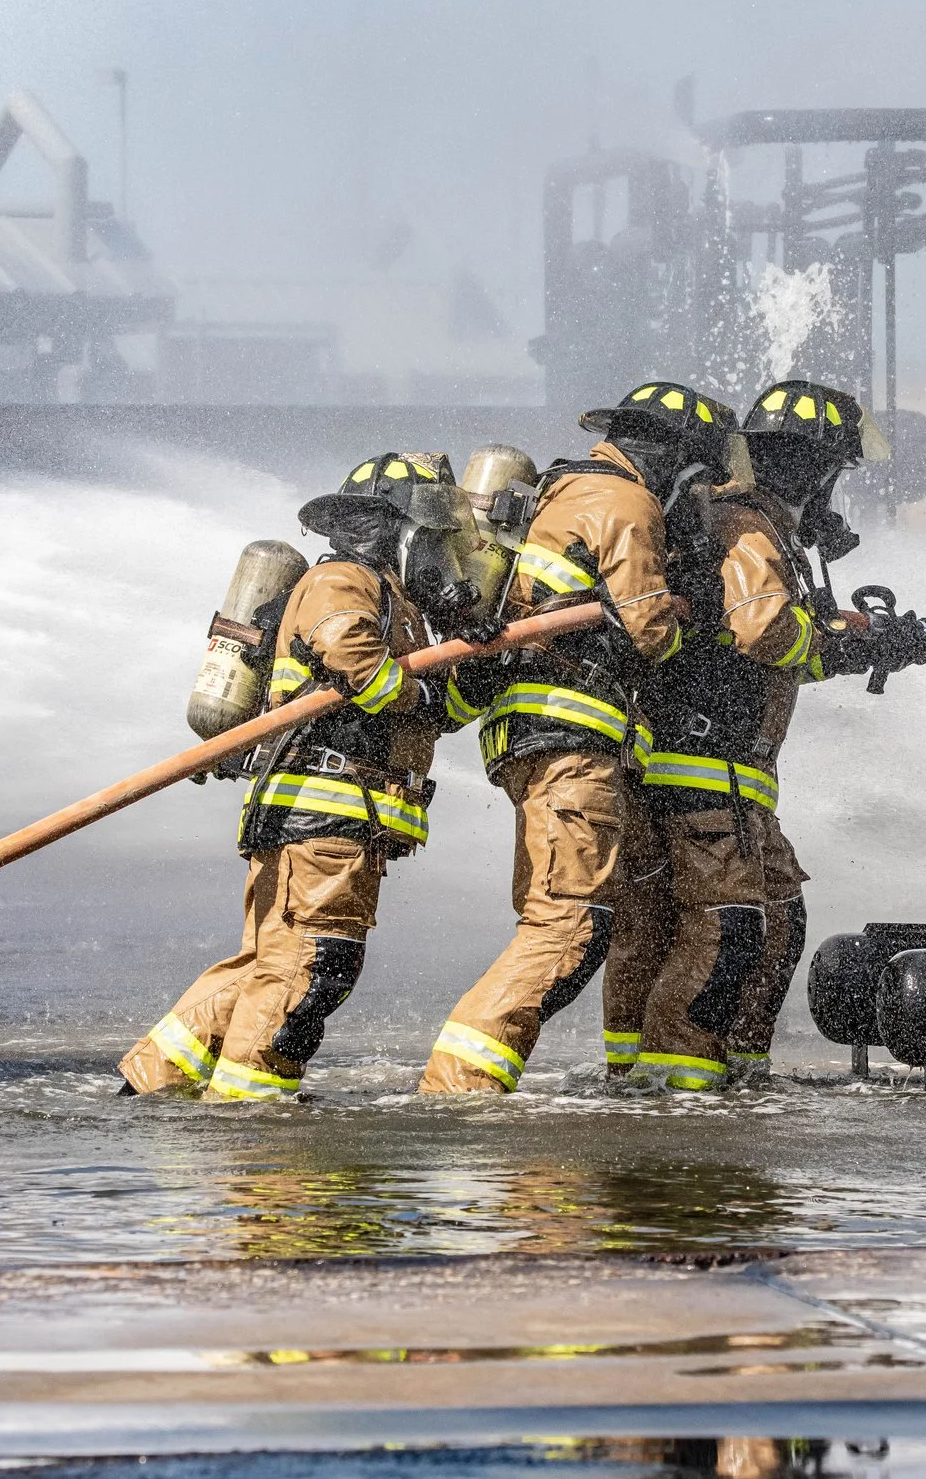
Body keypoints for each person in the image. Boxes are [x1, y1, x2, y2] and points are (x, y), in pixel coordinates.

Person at [118, 453, 486, 1099]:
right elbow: (351, 653)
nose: (434, 552)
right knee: (313, 967)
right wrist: (422, 694)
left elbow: (430, 713)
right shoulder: (344, 578)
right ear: (385, 525)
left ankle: (153, 1084)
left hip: (323, 819)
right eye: (425, 533)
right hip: (324, 817)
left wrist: (479, 673)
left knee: (269, 965)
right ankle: (254, 1123)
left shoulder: (396, 603)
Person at [417, 381, 729, 1094]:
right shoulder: (627, 502)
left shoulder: (562, 492)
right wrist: (695, 616)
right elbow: (650, 632)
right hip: (572, 734)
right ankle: (458, 1090)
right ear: (674, 459)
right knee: (566, 927)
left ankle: (464, 1083)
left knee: (568, 916)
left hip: (537, 734)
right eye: (699, 480)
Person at [619, 379, 889, 1089]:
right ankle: (673, 1094)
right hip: (703, 769)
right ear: (813, 470)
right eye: (834, 476)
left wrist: (858, 640)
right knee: (727, 928)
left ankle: (736, 1074)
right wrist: (846, 648)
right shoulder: (746, 526)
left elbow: (775, 642)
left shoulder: (759, 529)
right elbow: (764, 629)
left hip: (735, 777)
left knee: (778, 921)